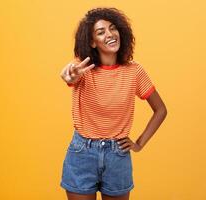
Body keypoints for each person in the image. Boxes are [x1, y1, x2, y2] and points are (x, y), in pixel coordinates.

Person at [59, 8, 167, 200]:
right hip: (82, 153)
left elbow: (160, 110)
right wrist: (70, 75)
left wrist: (139, 143)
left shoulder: (134, 71)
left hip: (117, 156)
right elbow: (71, 75)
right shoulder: (83, 68)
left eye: (112, 28)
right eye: (100, 32)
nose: (109, 34)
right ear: (92, 42)